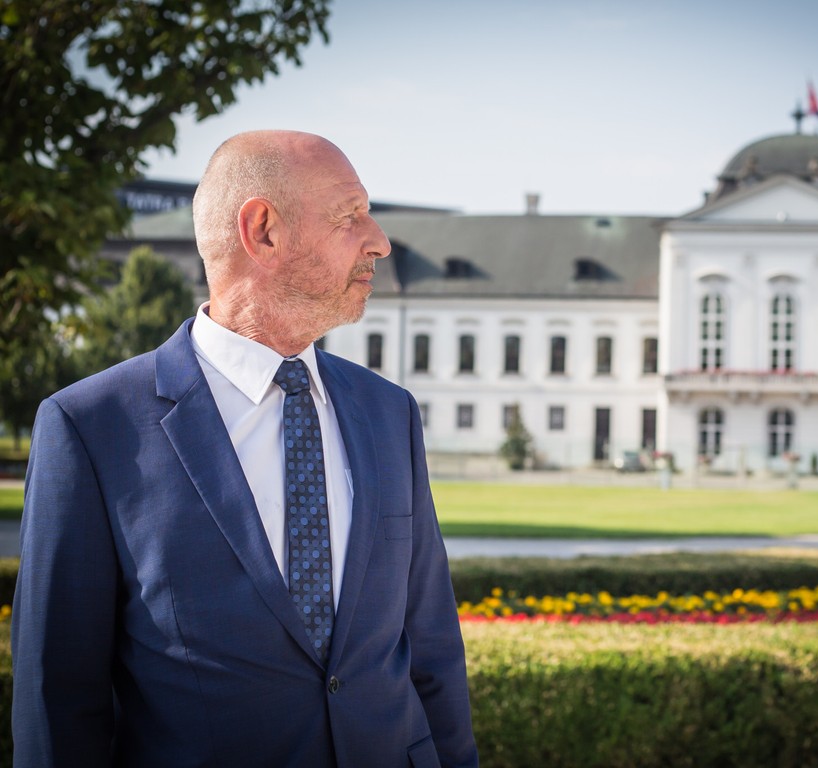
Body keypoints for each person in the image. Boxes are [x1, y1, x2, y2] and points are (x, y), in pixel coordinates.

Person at [12, 130, 478, 767]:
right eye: (350, 216)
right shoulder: (90, 426)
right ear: (263, 231)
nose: (379, 241)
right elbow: (58, 696)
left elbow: (431, 648)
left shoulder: (388, 412)